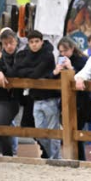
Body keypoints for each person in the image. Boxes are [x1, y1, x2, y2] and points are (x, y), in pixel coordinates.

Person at [13, 30, 61, 160]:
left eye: (36, 41)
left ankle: (55, 158)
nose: (34, 44)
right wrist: (31, 71)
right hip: (35, 98)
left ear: (41, 41)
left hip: (50, 97)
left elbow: (35, 73)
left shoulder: (48, 54)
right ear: (28, 43)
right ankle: (52, 155)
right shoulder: (25, 54)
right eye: (31, 42)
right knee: (39, 132)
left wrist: (28, 71)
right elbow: (18, 70)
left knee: (53, 131)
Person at [55, 36, 91, 160]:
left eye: (65, 51)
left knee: (77, 130)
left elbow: (85, 77)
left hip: (81, 101)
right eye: (60, 52)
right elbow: (56, 81)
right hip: (66, 100)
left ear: (72, 48)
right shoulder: (60, 61)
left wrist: (71, 68)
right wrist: (56, 71)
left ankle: (80, 158)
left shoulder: (83, 59)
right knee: (68, 129)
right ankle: (73, 157)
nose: (63, 54)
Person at [0, 31, 21, 156]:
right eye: (5, 44)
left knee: (0, 129)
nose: (8, 46)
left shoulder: (20, 56)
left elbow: (14, 72)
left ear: (16, 41)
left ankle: (9, 155)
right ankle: (4, 153)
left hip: (9, 100)